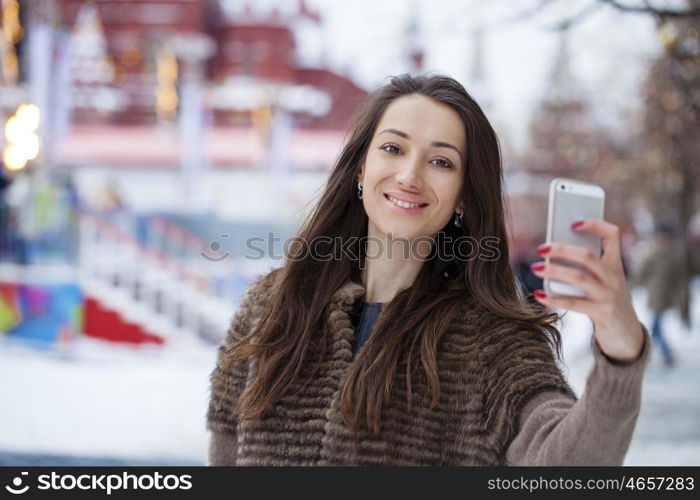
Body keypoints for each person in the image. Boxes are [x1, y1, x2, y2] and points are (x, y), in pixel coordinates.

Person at [207, 74, 651, 466]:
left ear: (462, 195)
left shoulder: (494, 341)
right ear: (362, 167)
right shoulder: (271, 309)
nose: (409, 175)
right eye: (393, 148)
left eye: (441, 161)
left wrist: (621, 349)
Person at [633, 223, 685, 367]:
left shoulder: (674, 256)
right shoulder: (655, 253)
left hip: (665, 297)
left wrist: (681, 303)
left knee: (656, 328)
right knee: (656, 328)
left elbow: (679, 282)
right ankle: (660, 354)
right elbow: (642, 273)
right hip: (655, 296)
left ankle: (657, 354)